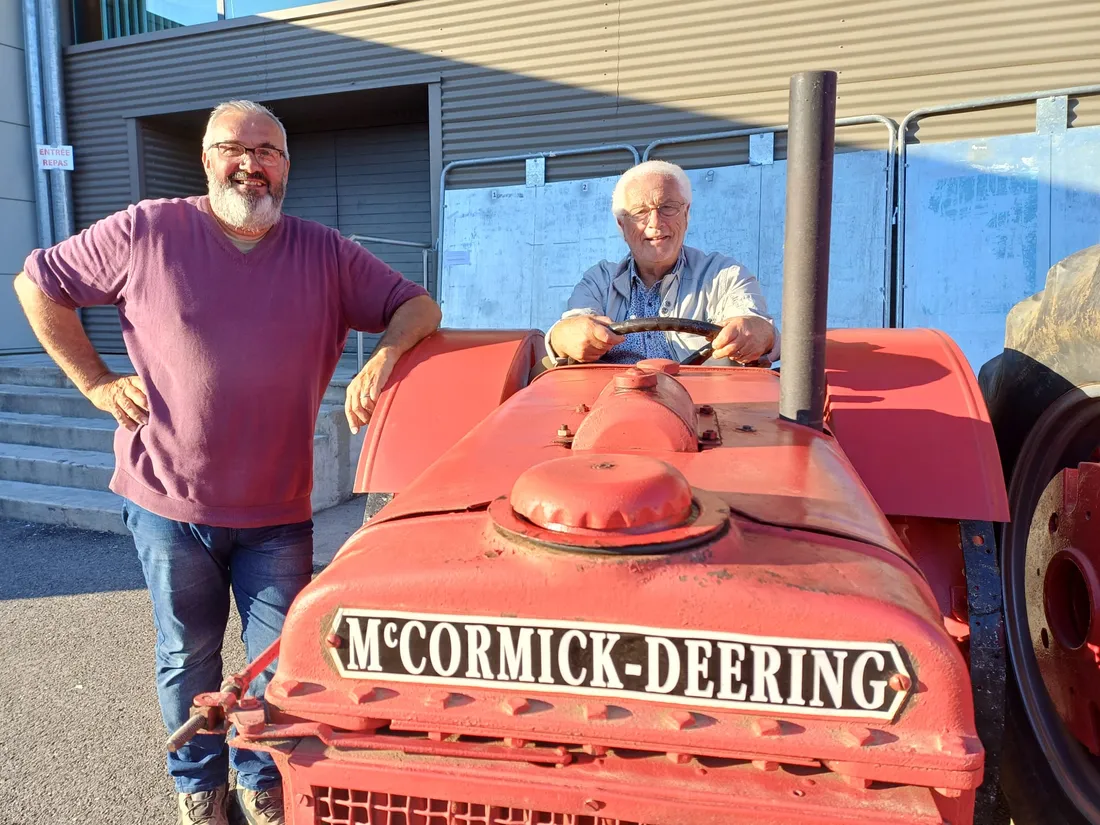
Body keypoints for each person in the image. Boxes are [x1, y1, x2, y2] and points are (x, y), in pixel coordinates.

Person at [12, 100, 441, 825]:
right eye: (234, 148)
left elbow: (416, 304)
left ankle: (259, 776)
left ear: (286, 166)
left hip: (278, 510)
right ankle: (198, 782)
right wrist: (92, 381)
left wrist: (389, 355)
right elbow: (37, 283)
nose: (252, 163)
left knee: (280, 660)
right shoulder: (148, 229)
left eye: (269, 151)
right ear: (207, 159)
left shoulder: (325, 251)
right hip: (168, 501)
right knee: (189, 656)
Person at [545, 160, 779, 366]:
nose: (655, 223)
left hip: (703, 406)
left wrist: (757, 332)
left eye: (667, 208)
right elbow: (572, 328)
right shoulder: (599, 281)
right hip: (615, 402)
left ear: (686, 214)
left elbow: (757, 328)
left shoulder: (724, 276)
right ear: (621, 225)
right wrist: (565, 336)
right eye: (639, 212)